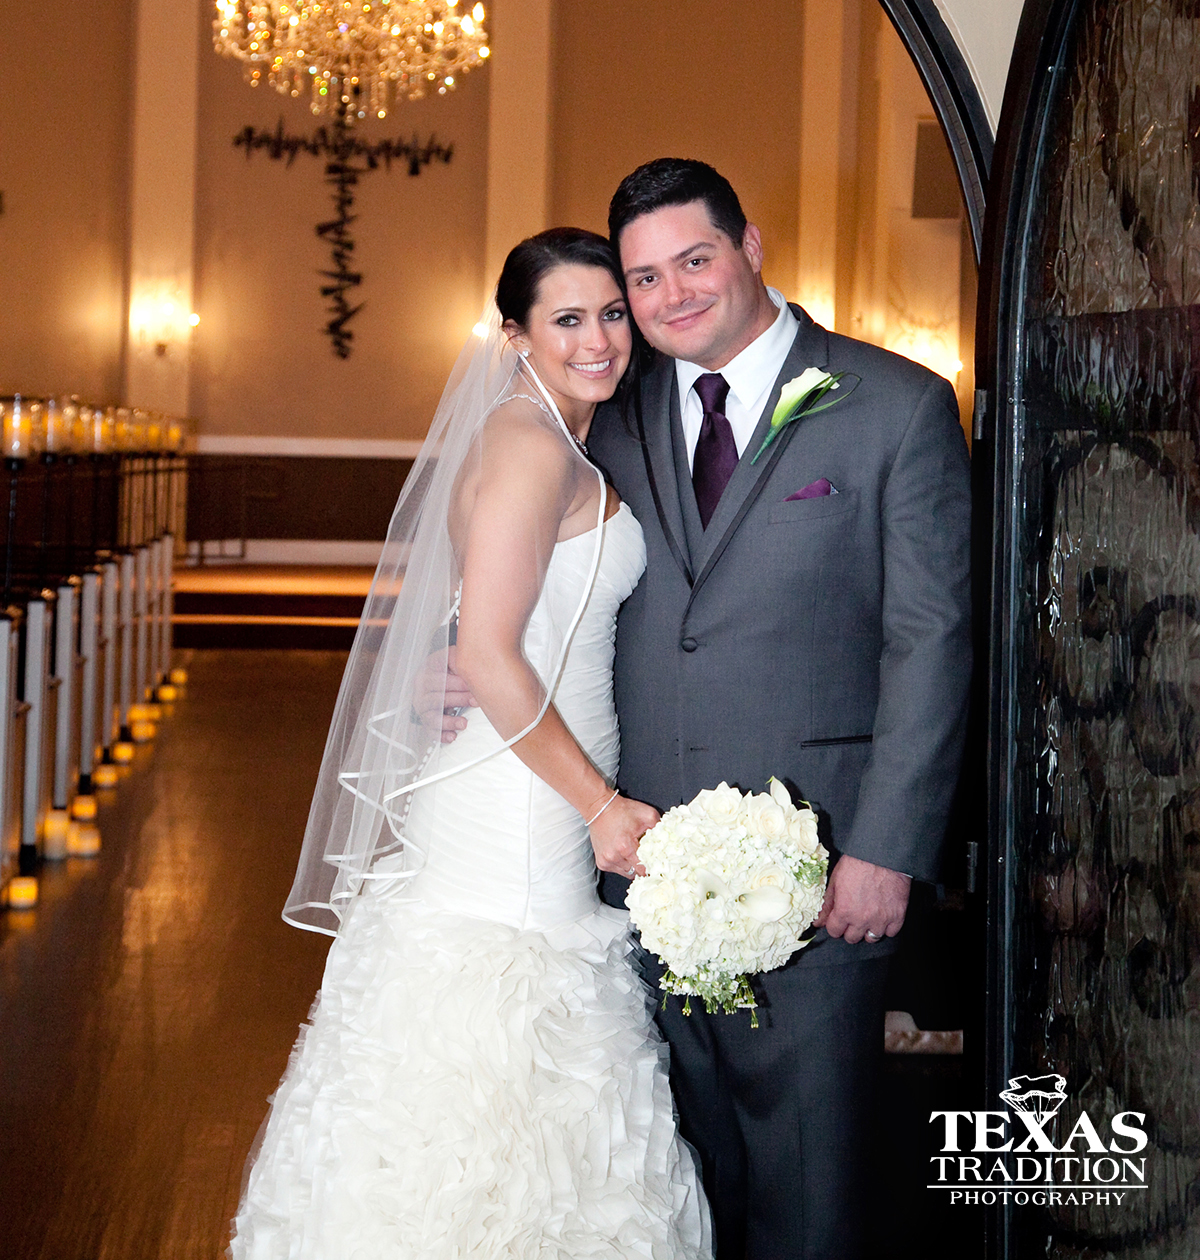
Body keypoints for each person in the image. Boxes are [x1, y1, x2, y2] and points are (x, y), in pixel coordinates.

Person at [441, 158, 972, 1258]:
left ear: (751, 247)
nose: (670, 294)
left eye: (695, 260)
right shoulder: (604, 406)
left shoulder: (896, 404)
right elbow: (513, 566)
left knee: (810, 1193)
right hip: (625, 871)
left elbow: (931, 642)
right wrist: (461, 661)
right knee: (664, 1187)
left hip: (821, 866)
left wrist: (887, 848)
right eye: (643, 278)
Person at [229, 228, 712, 1259]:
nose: (598, 339)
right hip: (522, 802)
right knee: (509, 1051)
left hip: (511, 778)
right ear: (515, 335)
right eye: (567, 319)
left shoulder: (545, 436)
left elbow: (486, 636)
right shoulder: (532, 446)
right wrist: (599, 805)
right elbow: (490, 655)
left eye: (611, 313)